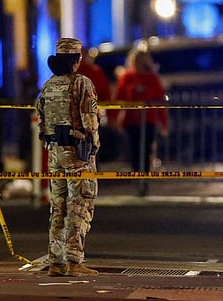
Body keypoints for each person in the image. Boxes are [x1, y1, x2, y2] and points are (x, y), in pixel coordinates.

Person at [35, 37, 101, 277]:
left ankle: (56, 261)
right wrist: (93, 144)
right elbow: (89, 118)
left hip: (54, 152)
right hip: (77, 153)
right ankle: (74, 261)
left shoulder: (49, 85)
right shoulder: (82, 83)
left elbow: (41, 120)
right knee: (79, 204)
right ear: (77, 59)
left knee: (58, 207)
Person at [113, 48, 168, 191]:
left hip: (148, 120)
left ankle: (144, 177)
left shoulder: (152, 78)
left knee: (146, 148)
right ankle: (138, 176)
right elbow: (119, 97)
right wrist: (113, 116)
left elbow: (159, 100)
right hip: (131, 121)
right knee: (134, 149)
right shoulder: (126, 77)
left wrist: (163, 123)